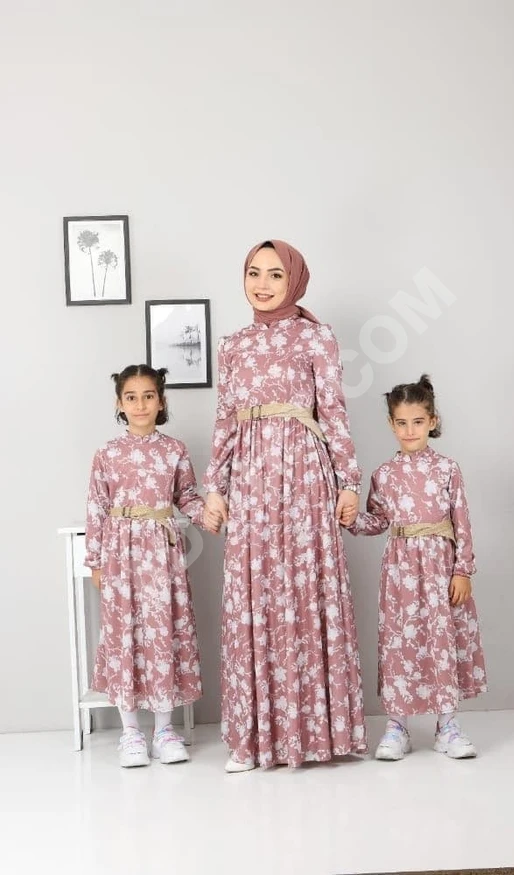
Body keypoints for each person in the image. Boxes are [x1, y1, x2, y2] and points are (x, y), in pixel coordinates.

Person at [203, 239, 367, 771]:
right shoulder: (232, 345)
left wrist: (348, 481)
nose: (263, 283)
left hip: (304, 475)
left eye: (275, 274)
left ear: (294, 280)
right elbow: (225, 419)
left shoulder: (317, 336)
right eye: (254, 272)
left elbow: (334, 411)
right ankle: (253, 740)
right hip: (250, 478)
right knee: (254, 594)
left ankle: (315, 736)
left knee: (303, 589)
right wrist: (215, 486)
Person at [85, 365, 218, 767]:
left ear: (161, 401)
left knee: (163, 632)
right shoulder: (107, 454)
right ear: (119, 403)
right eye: (131, 397)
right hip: (120, 553)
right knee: (124, 633)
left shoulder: (174, 450)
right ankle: (130, 733)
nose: (140, 404)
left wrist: (208, 515)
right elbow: (96, 509)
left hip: (162, 553)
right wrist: (96, 562)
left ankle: (164, 730)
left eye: (148, 396)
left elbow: (187, 496)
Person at [349, 375, 487, 759]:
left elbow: (462, 523)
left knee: (443, 641)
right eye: (402, 422)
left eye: (418, 422)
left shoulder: (447, 469)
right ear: (391, 424)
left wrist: (463, 571)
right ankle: (397, 726)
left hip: (441, 568)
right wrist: (349, 518)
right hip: (400, 572)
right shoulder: (383, 475)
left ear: (432, 421)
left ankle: (447, 726)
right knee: (400, 642)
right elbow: (377, 521)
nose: (410, 430)